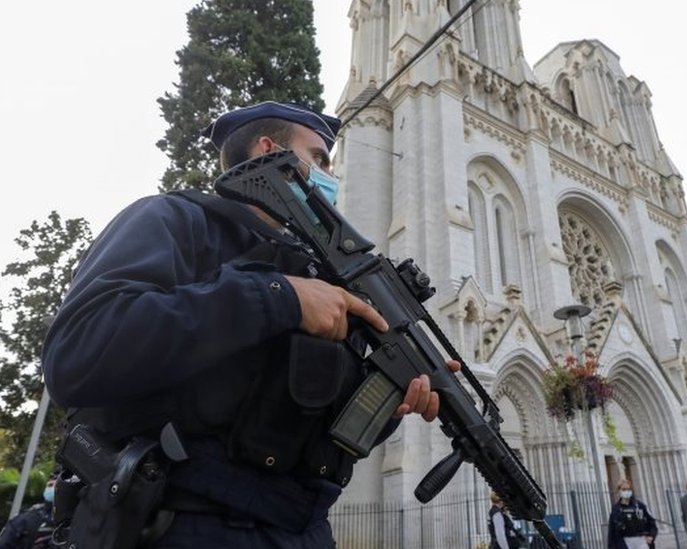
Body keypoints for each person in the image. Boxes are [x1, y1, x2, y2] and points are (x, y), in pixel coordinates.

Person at [40, 101, 460, 548]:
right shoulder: (177, 220)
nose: (330, 177)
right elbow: (78, 352)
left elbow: (310, 437)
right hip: (179, 523)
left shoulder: (322, 276)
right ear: (268, 149)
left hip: (303, 532)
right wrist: (281, 297)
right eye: (318, 158)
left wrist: (386, 405)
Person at [0, 477, 54, 549]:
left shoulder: (71, 520)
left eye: (55, 485)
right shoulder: (26, 519)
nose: (51, 488)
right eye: (50, 485)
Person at [607, 479, 657, 549]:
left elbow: (651, 521)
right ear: (619, 491)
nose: (626, 491)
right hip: (625, 541)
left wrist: (651, 535)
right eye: (624, 489)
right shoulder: (616, 509)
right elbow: (612, 530)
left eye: (628, 489)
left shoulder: (640, 506)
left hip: (641, 540)